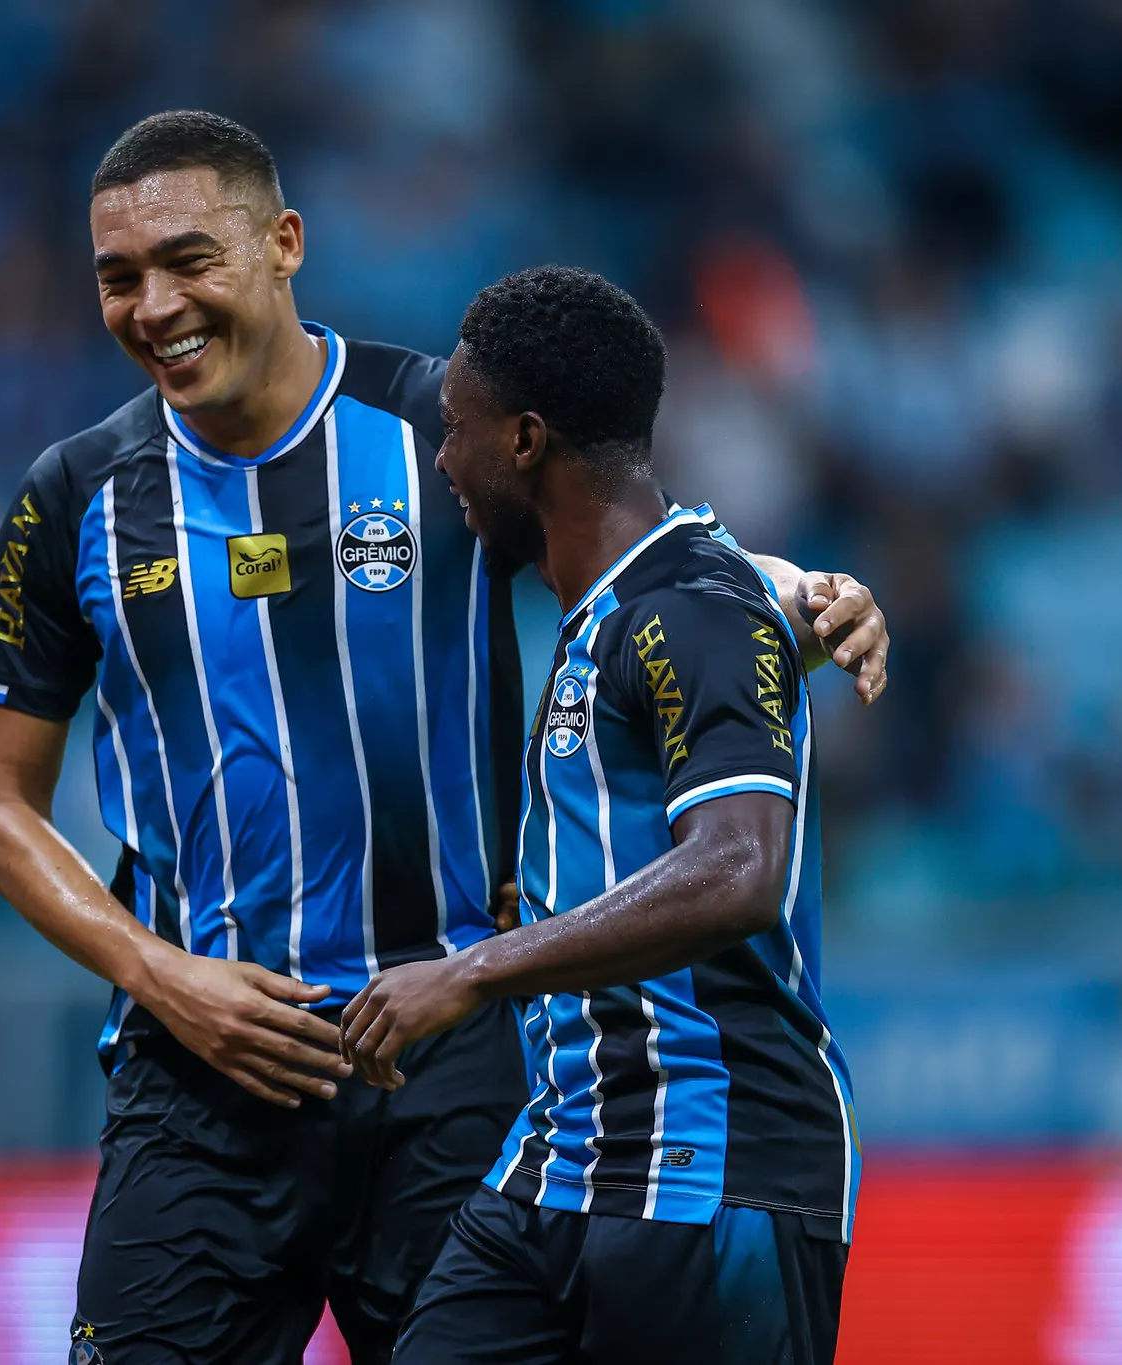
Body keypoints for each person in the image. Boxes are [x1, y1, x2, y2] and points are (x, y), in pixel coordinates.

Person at [0, 111, 881, 1365]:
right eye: (119, 278)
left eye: (190, 260)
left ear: (283, 244)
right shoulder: (71, 499)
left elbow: (631, 544)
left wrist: (794, 586)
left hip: (447, 1059)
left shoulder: (437, 429)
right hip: (200, 1071)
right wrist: (158, 974)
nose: (153, 305)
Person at [342, 266, 856, 1365]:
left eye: (454, 431)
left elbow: (738, 871)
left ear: (525, 440)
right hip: (560, 1164)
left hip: (717, 1172)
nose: (441, 463)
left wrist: (473, 971)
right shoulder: (614, 615)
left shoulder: (690, 610)